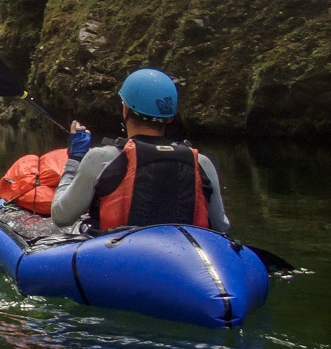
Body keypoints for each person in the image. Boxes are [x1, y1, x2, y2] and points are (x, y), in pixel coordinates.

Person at [48, 68, 230, 234]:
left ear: (125, 109)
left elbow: (61, 217)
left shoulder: (102, 158)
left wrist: (75, 159)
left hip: (118, 254)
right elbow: (221, 227)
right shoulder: (201, 162)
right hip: (184, 253)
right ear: (169, 117)